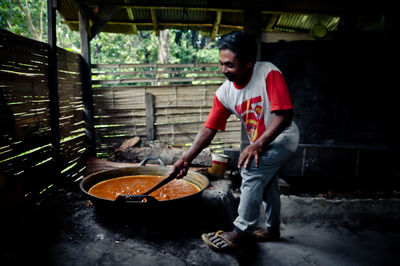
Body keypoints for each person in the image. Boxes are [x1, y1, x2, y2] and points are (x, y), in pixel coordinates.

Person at [169, 31, 299, 252]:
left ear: (249, 62)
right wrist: (185, 158)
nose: (223, 70)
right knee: (268, 185)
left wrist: (259, 143)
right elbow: (210, 128)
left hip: (283, 137)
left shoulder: (268, 72)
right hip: (264, 142)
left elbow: (285, 114)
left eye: (229, 65)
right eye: (220, 63)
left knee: (251, 169)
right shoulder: (224, 93)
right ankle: (272, 229)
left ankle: (240, 232)